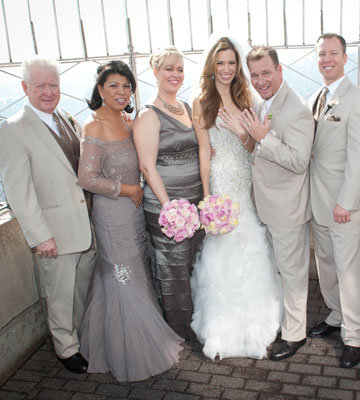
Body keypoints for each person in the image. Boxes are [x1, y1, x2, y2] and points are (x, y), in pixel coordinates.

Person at [77, 60, 183, 382]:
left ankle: (119, 341)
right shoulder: (93, 127)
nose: (121, 91)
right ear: (100, 89)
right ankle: (130, 350)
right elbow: (87, 178)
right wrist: (127, 189)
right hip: (112, 215)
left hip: (134, 213)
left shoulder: (127, 121)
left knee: (132, 272)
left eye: (126, 85)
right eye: (113, 85)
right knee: (121, 275)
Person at [0, 57, 95, 374]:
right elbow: (18, 191)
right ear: (25, 88)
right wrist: (41, 236)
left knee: (79, 290)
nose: (48, 92)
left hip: (85, 226)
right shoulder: (12, 130)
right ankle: (66, 350)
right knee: (60, 294)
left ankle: (75, 336)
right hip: (55, 231)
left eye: (53, 85)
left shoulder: (64, 118)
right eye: (40, 86)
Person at [190, 36, 282, 360]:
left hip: (246, 181)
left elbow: (252, 147)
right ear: (212, 67)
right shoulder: (201, 101)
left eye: (232, 62)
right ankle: (223, 328)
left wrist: (241, 133)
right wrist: (206, 200)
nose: (227, 69)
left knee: (253, 247)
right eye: (221, 63)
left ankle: (256, 324)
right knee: (223, 252)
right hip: (220, 182)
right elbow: (204, 152)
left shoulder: (248, 98)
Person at [308, 33, 360, 368]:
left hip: (343, 207)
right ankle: (335, 316)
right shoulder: (315, 96)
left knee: (349, 273)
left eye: (333, 53)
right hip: (316, 203)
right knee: (327, 268)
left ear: (345, 58)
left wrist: (347, 203)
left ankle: (354, 336)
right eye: (321, 54)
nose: (326, 60)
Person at [240, 45, 314, 361]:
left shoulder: (295, 108)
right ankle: (284, 324)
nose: (260, 80)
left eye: (266, 73)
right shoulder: (263, 103)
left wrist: (262, 138)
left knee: (293, 273)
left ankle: (295, 335)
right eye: (254, 75)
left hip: (287, 208)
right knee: (280, 271)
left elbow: (298, 161)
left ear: (280, 70)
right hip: (268, 204)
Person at [133, 47, 204, 341]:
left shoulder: (187, 107)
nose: (175, 75)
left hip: (195, 201)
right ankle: (178, 330)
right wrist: (171, 208)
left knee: (193, 263)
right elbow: (148, 168)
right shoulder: (148, 115)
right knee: (172, 269)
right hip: (168, 207)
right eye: (169, 69)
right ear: (155, 73)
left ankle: (197, 320)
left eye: (180, 69)